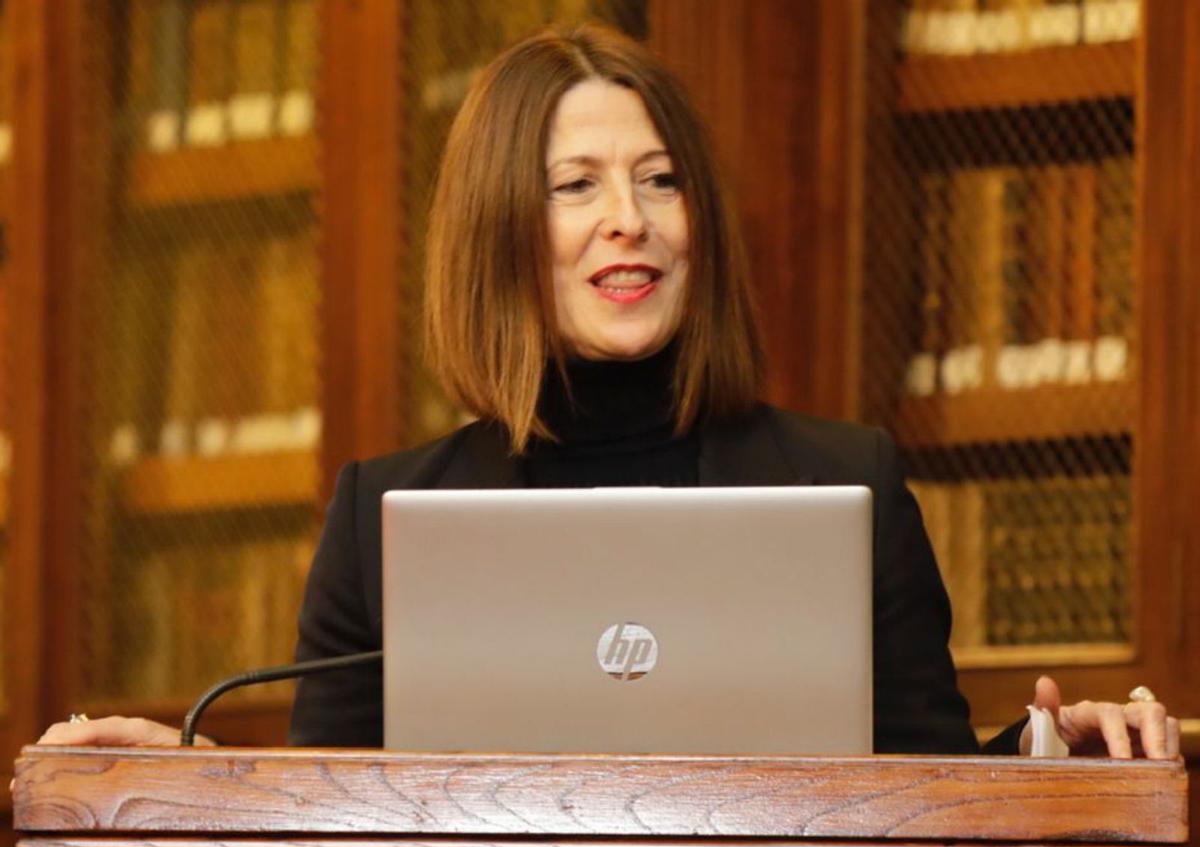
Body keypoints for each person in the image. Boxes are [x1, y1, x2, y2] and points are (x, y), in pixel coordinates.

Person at [40, 25, 1178, 760]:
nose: (626, 218)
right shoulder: (384, 522)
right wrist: (191, 779)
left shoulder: (847, 484)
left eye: (660, 180)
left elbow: (932, 804)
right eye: (574, 185)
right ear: (499, 233)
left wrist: (1052, 756)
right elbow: (332, 821)